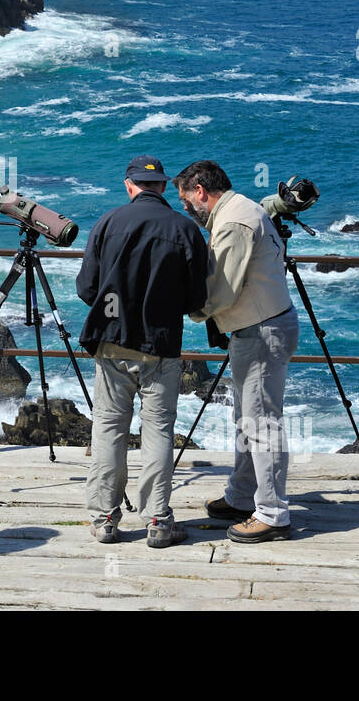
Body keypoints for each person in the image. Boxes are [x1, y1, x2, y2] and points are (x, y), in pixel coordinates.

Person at [75, 156, 208, 547]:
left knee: (109, 428)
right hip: (161, 344)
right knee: (159, 431)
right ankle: (157, 519)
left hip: (112, 339)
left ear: (129, 185)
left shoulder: (107, 223)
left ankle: (105, 519)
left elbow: (87, 288)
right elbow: (196, 298)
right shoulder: (186, 229)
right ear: (164, 187)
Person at [174, 159, 300, 543]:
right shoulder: (244, 207)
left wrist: (186, 309)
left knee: (261, 424)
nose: (184, 208)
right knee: (248, 419)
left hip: (260, 331)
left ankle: (273, 513)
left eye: (185, 199)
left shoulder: (233, 222)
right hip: (261, 327)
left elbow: (222, 290)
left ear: (200, 191)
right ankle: (244, 496)